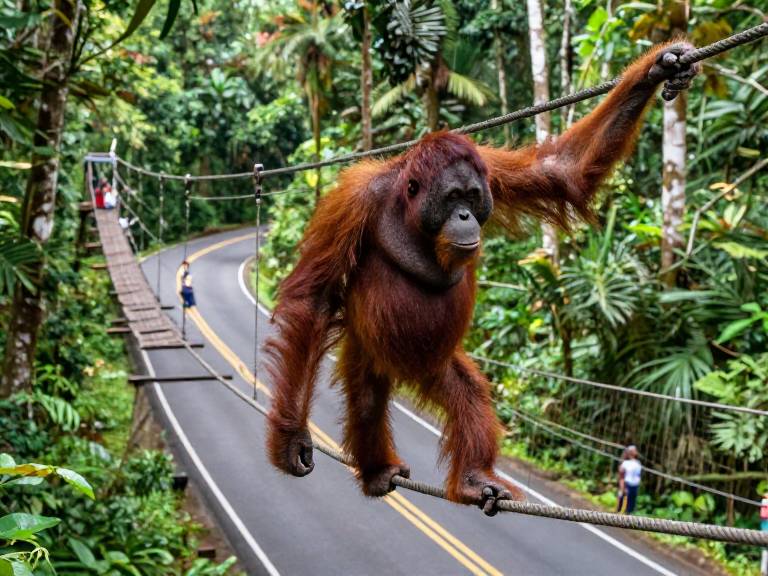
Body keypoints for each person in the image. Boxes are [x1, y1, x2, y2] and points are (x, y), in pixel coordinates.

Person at [617, 445, 642, 515]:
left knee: (632, 502)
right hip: (627, 484)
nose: (636, 451)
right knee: (624, 500)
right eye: (634, 450)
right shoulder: (625, 463)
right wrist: (622, 487)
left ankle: (628, 515)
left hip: (635, 485)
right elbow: (621, 476)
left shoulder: (638, 462)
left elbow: (638, 475)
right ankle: (620, 514)